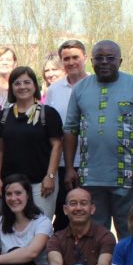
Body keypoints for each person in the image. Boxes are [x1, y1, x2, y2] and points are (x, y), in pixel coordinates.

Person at [63, 40, 133, 238]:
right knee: (95, 234)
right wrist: (71, 168)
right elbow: (70, 130)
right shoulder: (80, 89)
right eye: (99, 58)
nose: (104, 62)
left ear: (120, 61)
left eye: (110, 58)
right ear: (92, 61)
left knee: (130, 231)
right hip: (90, 176)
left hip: (128, 175)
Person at [0, 66, 62, 217]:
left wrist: (50, 176)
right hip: (11, 183)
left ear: (34, 86)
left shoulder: (48, 114)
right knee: (12, 225)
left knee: (40, 225)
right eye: (17, 83)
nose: (22, 87)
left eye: (27, 82)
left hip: (40, 183)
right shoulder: (3, 116)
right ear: (11, 87)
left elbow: (57, 145)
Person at [44, 39, 88, 229]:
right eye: (66, 58)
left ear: (85, 58)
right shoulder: (54, 89)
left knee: (84, 214)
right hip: (60, 164)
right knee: (62, 214)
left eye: (75, 57)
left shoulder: (95, 84)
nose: (71, 62)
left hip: (89, 162)